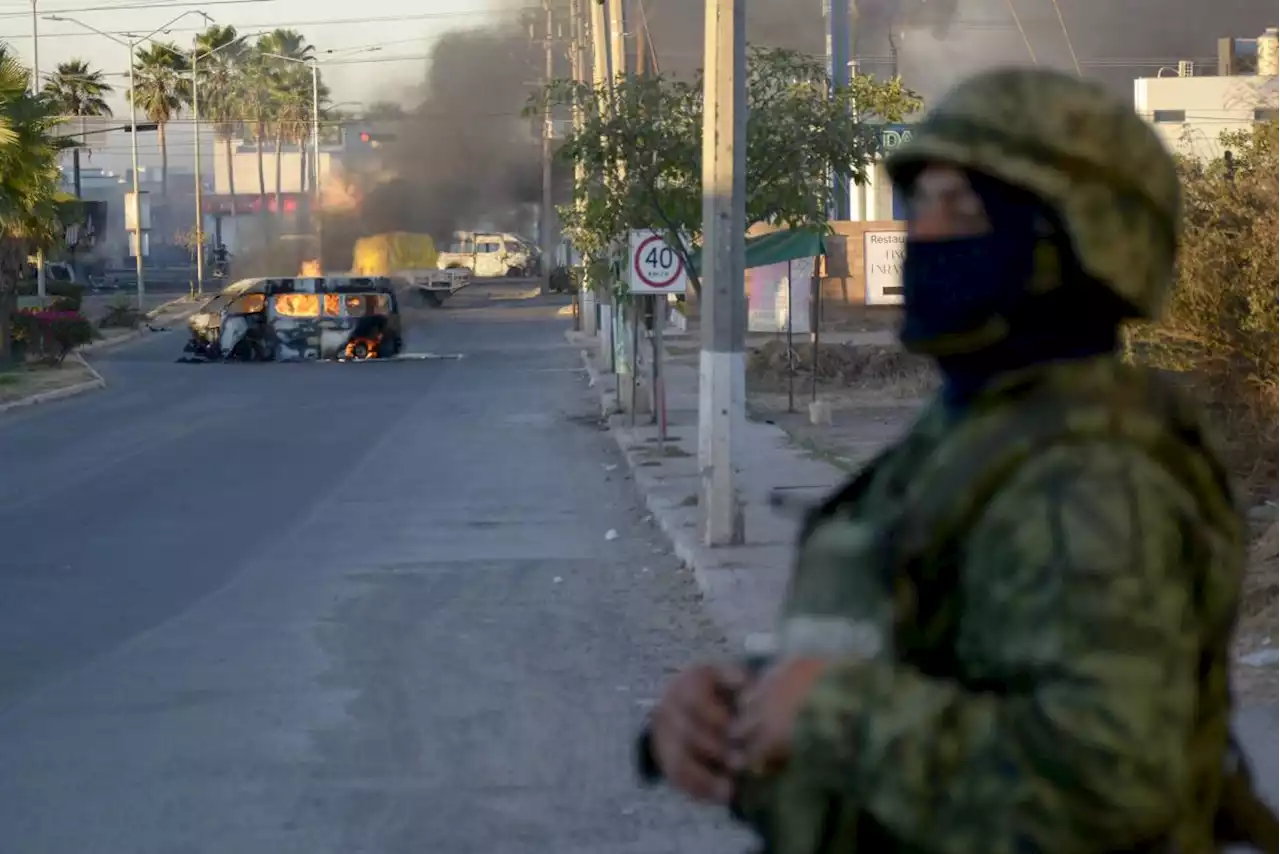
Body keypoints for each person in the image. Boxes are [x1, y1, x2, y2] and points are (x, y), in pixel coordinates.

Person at [635, 67, 1276, 852]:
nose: (923, 234)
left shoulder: (1098, 477)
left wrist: (834, 711)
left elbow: (1118, 778)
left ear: (1083, 241)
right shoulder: (971, 436)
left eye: (964, 209)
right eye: (920, 205)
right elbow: (917, 662)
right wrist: (739, 711)